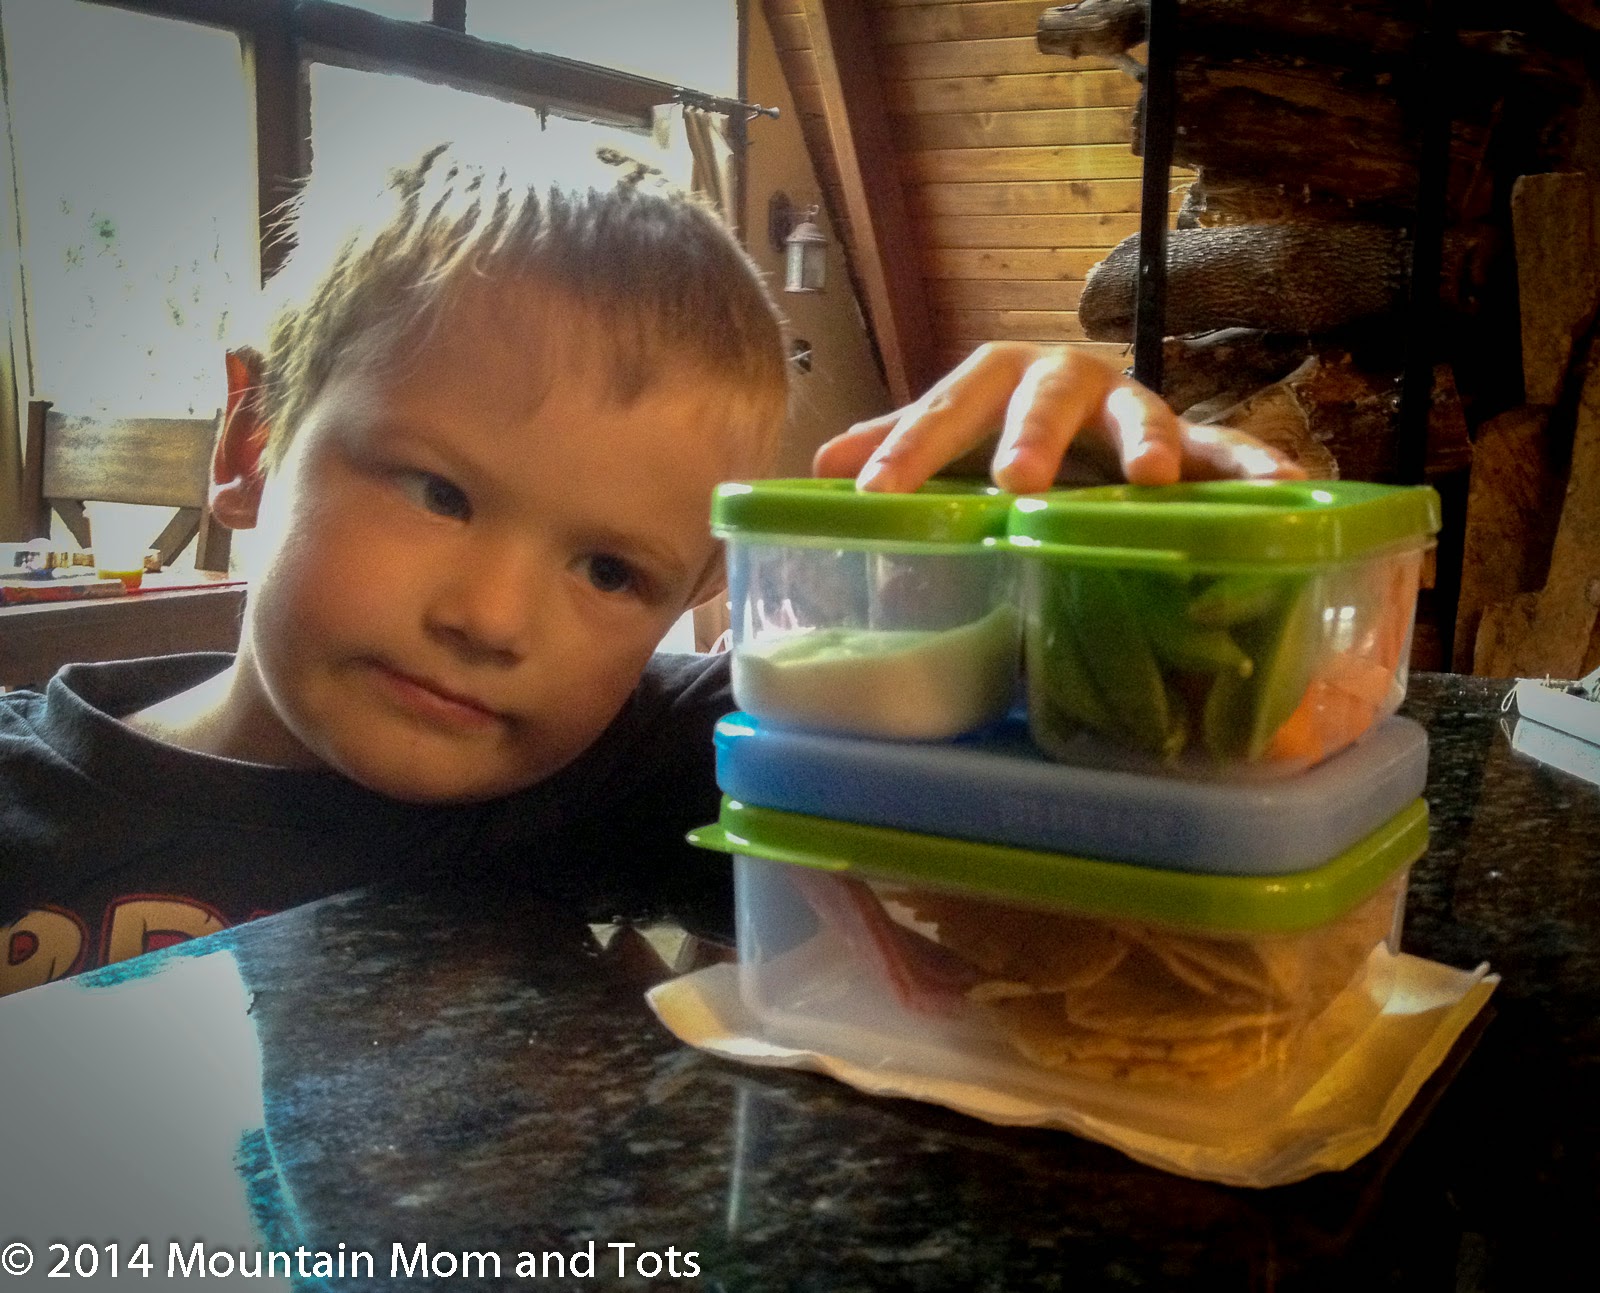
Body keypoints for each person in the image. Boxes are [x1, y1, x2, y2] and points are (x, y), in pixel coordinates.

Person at [0, 143, 1300, 996]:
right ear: (250, 439)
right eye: (440, 492)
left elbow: (1096, 765)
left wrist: (1128, 513)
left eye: (613, 573)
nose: (493, 618)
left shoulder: (646, 767)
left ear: (694, 593)